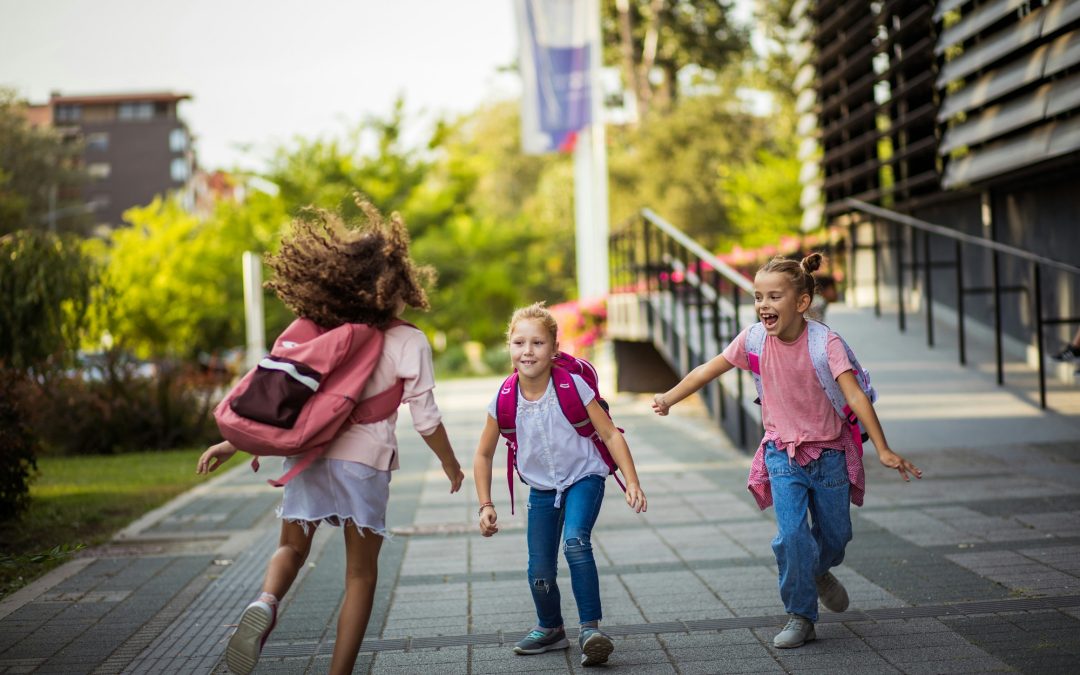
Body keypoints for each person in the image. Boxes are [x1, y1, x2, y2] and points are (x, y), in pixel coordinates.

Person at [197, 197, 465, 675]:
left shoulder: (321, 333)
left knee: (290, 548)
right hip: (365, 466)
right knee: (360, 575)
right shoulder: (409, 341)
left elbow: (283, 399)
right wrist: (450, 463)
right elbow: (426, 419)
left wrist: (233, 442)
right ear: (393, 288)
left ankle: (266, 600)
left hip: (310, 457)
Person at [652, 253, 922, 650]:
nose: (763, 305)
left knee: (836, 536)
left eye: (773, 296)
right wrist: (670, 398)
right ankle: (800, 615)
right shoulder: (754, 339)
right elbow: (707, 370)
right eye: (758, 296)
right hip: (783, 453)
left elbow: (855, 395)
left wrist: (882, 448)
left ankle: (816, 570)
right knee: (791, 535)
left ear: (801, 303)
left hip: (830, 454)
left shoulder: (825, 343)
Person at [473, 302, 648, 667]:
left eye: (537, 343)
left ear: (554, 349)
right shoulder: (504, 399)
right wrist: (485, 504)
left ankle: (590, 630)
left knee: (575, 542)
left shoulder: (573, 386)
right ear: (510, 348)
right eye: (519, 343)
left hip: (584, 475)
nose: (528, 351)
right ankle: (551, 628)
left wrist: (631, 481)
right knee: (539, 569)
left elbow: (610, 435)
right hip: (542, 489)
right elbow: (483, 455)